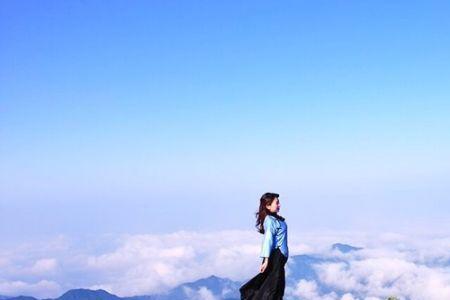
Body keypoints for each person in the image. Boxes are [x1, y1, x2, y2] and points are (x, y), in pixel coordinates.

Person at [239, 192, 289, 300]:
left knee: (277, 285)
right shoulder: (270, 221)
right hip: (275, 256)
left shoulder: (275, 218)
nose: (279, 205)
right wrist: (266, 259)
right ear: (268, 205)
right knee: (273, 287)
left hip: (279, 258)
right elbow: (268, 239)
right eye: (277, 203)